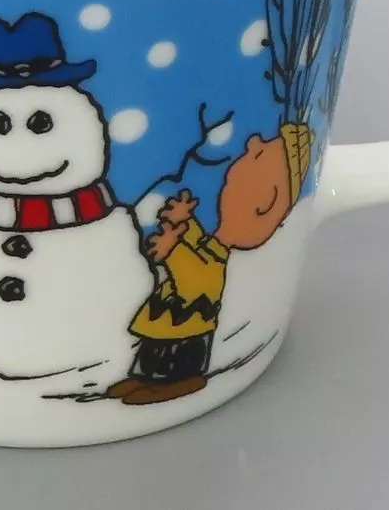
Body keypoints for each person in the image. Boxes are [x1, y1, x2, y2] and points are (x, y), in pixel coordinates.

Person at [108, 122, 312, 405]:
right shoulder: (212, 247)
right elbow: (196, 243)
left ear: (264, 203)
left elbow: (196, 277)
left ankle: (177, 383)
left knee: (174, 355)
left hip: (187, 325)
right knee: (155, 348)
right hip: (172, 316)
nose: (252, 141)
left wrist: (172, 250)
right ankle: (143, 378)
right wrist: (184, 221)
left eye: (258, 154)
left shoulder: (215, 260)